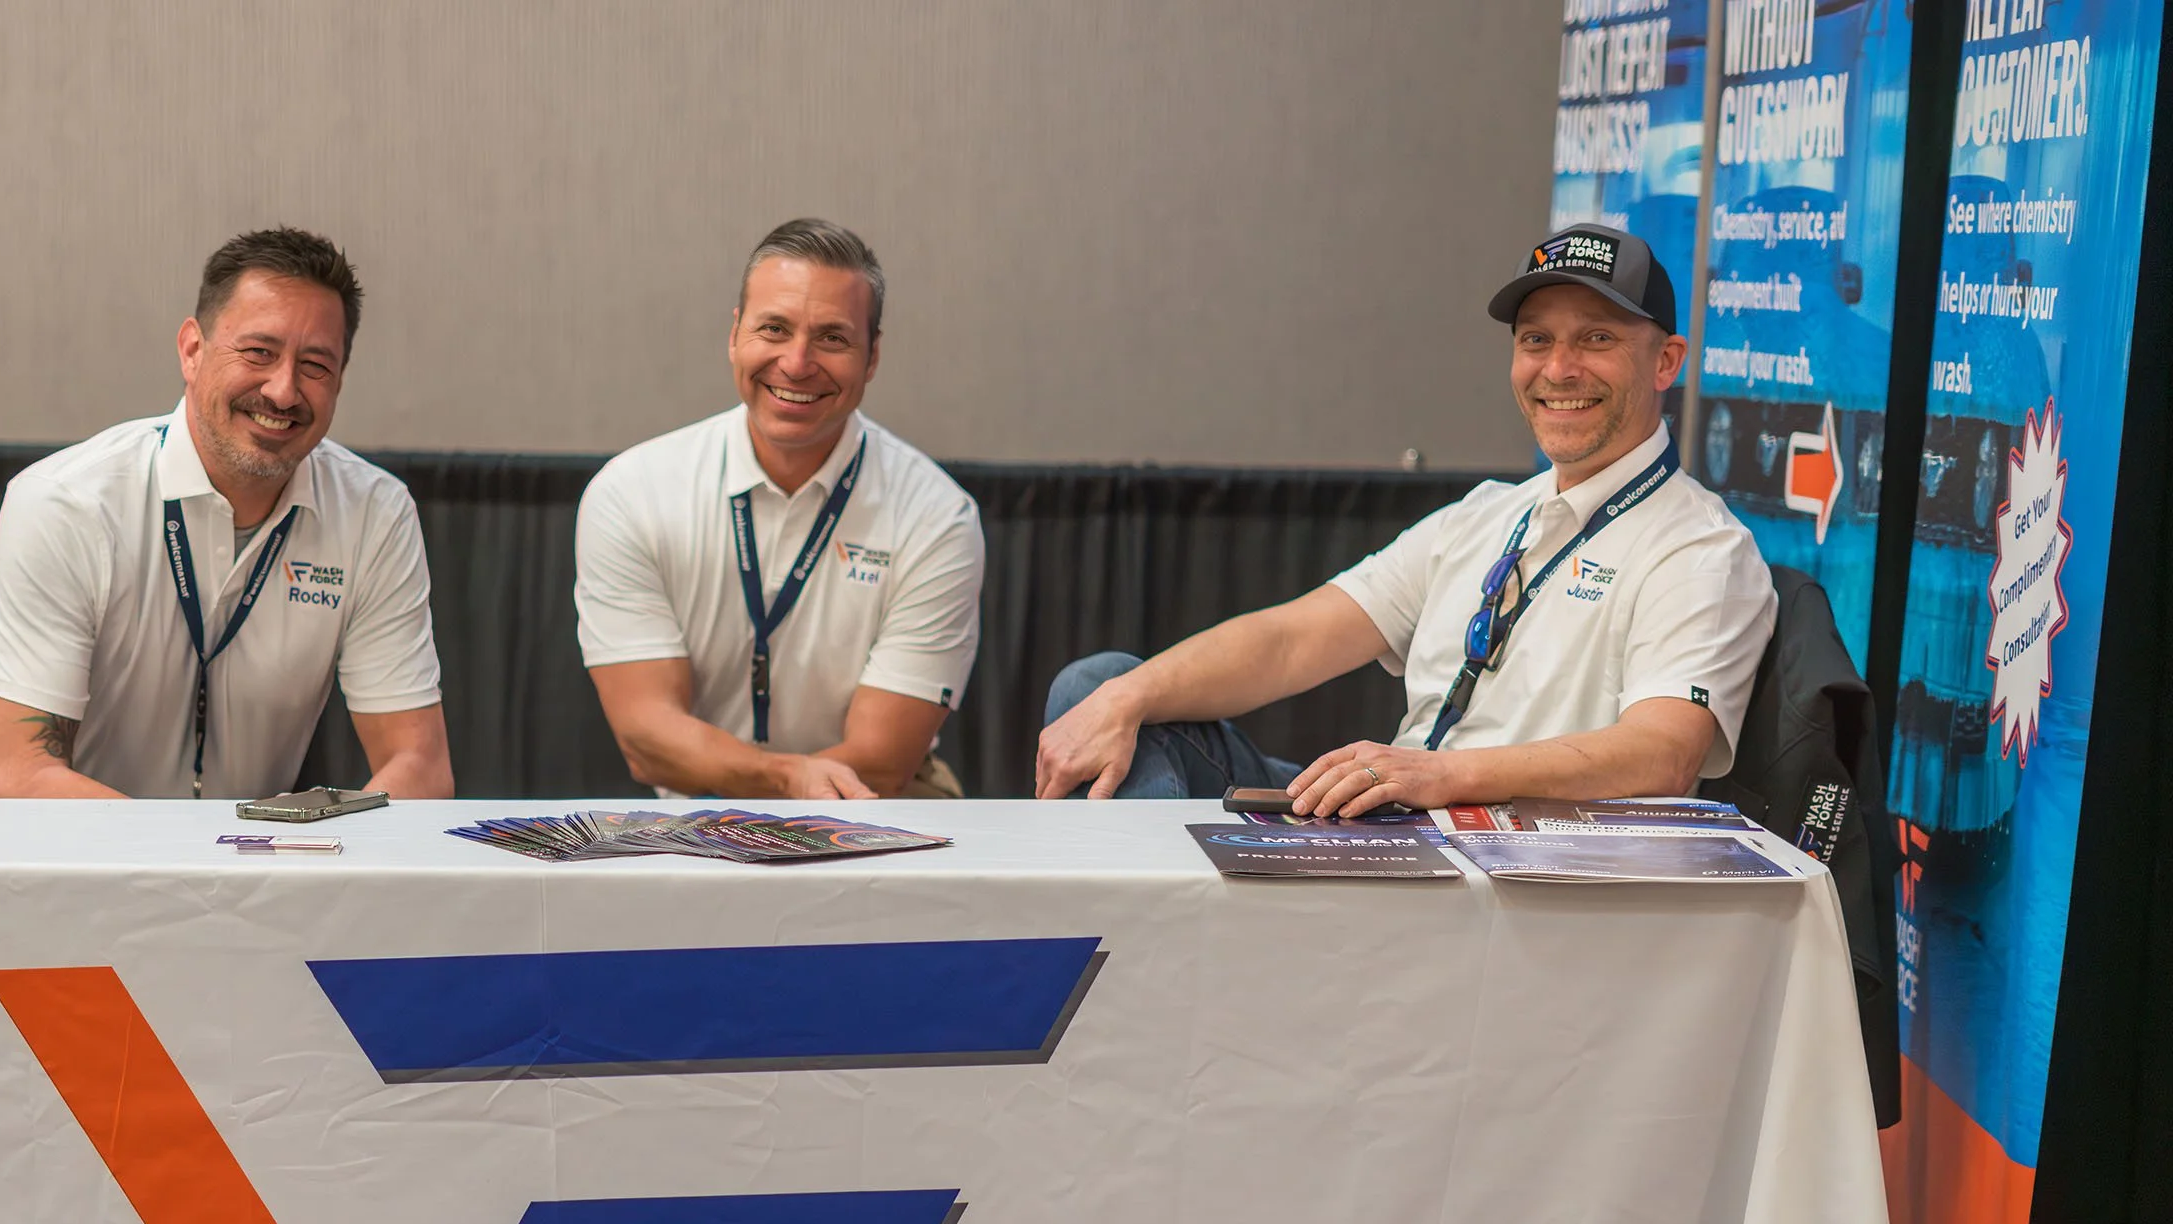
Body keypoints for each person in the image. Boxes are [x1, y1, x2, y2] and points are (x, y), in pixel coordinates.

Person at [1036, 223, 1774, 816]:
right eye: (1535, 340)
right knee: (1098, 689)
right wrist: (1127, 700)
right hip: (1402, 821)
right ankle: (1153, 942)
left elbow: (1662, 755)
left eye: (1597, 339)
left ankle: (1163, 955)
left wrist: (1441, 775)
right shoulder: (1488, 514)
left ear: (1666, 362)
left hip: (1508, 858)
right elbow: (1291, 640)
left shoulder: (1698, 547)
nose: (1559, 368)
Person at [0, 227, 452, 800]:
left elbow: (417, 765)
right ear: (192, 351)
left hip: (247, 862)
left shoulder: (374, 514)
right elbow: (21, 777)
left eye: (316, 365)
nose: (284, 390)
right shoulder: (66, 504)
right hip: (64, 864)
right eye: (259, 352)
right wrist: (196, 866)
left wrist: (306, 850)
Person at [575, 219, 983, 799]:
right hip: (698, 808)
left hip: (875, 805)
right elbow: (647, 738)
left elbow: (884, 760)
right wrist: (786, 778)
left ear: (872, 358)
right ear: (735, 334)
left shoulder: (936, 517)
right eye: (774, 328)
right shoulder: (632, 493)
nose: (796, 363)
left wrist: (780, 789)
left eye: (833, 338)